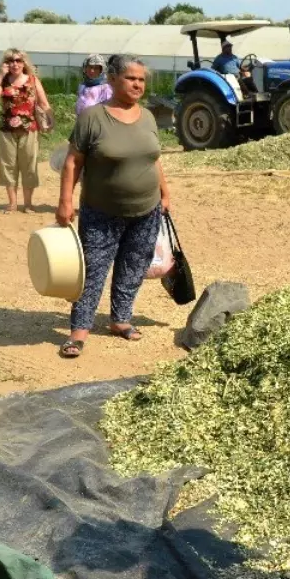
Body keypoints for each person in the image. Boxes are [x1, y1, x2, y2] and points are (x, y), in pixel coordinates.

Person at [55, 54, 172, 358]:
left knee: (133, 266)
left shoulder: (147, 117)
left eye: (141, 79)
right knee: (92, 270)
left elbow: (154, 158)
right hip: (101, 210)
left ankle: (120, 319)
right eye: (131, 78)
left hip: (146, 209)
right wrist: (65, 202)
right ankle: (79, 330)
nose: (137, 84)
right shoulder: (92, 117)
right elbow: (72, 162)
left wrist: (165, 194)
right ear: (112, 80)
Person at [0, 48, 52, 213]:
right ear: (5, 64)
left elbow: (44, 103)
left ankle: (28, 204)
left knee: (29, 165)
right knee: (8, 165)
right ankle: (12, 203)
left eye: (18, 60)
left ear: (24, 63)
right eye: (10, 61)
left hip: (29, 128)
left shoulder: (32, 80)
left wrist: (50, 120)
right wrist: (0, 75)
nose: (14, 64)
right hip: (7, 129)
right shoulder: (4, 81)